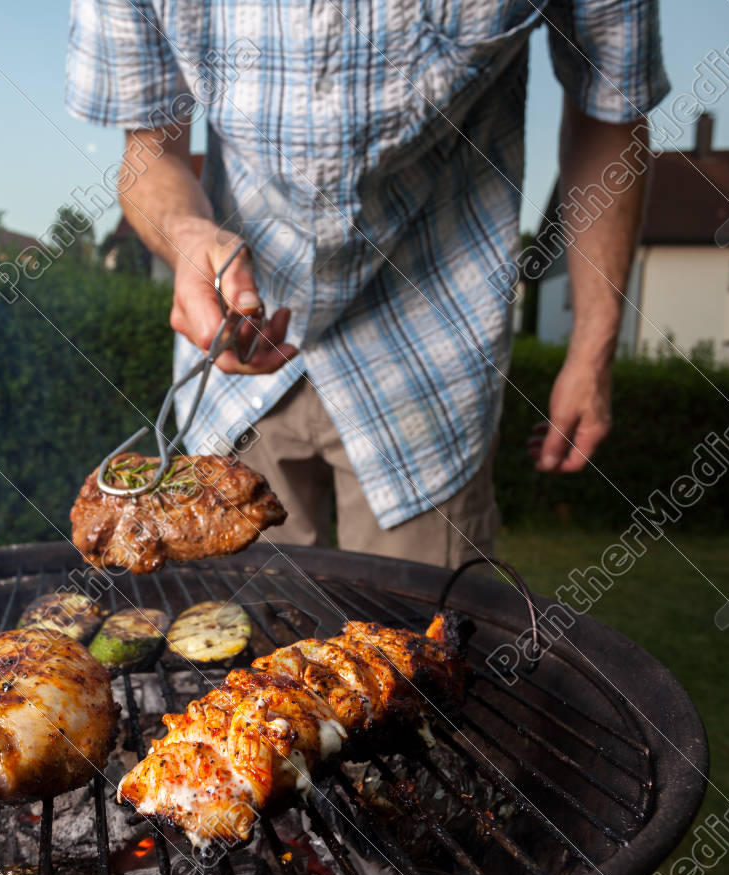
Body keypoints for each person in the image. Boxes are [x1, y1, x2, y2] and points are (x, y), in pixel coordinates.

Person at [66, 0, 667, 567]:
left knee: (425, 660)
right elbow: (150, 152)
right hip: (238, 357)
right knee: (239, 650)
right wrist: (187, 234)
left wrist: (593, 346)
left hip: (431, 358)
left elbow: (609, 111)